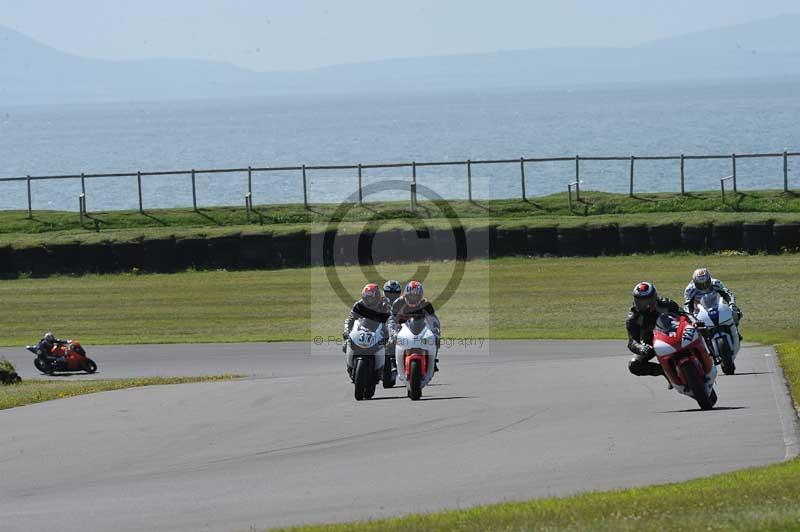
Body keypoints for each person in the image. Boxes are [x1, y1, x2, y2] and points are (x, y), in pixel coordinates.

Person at [626, 282, 683, 381]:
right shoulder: (633, 317)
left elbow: (684, 314)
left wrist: (695, 323)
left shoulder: (666, 304)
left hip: (674, 334)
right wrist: (641, 348)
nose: (644, 305)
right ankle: (665, 372)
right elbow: (632, 342)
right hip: (651, 343)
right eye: (640, 301)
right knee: (634, 365)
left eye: (647, 301)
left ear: (654, 298)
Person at [388, 281, 441, 371]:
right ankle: (392, 362)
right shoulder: (398, 303)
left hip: (420, 327)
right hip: (402, 328)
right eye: (411, 296)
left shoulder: (426, 304)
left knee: (435, 340)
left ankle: (432, 360)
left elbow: (434, 320)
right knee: (390, 342)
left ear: (421, 296)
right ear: (406, 295)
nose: (413, 298)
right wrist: (393, 332)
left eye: (416, 296)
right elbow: (391, 319)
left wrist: (435, 333)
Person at [342, 283, 391, 354]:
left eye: (371, 298)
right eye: (367, 298)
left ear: (377, 297)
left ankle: (387, 363)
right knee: (346, 346)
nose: (369, 301)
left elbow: (389, 320)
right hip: (362, 332)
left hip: (379, 332)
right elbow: (350, 319)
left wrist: (389, 335)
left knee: (390, 348)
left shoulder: (385, 304)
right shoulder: (359, 305)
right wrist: (346, 331)